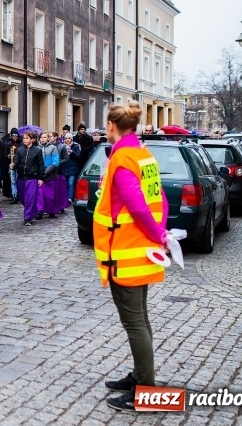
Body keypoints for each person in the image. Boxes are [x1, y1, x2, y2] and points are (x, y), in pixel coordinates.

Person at [93, 100, 169, 412]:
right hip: (139, 249)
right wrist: (160, 233)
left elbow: (138, 206)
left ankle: (146, 390)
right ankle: (140, 375)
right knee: (140, 318)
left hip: (126, 252)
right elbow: (160, 199)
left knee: (134, 322)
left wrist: (158, 235)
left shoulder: (123, 158)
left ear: (111, 126)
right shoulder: (143, 154)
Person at [12, 130, 44, 225]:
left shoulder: (37, 150)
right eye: (24, 138)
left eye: (27, 138)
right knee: (23, 198)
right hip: (21, 178)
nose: (24, 140)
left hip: (32, 178)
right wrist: (13, 165)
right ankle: (33, 211)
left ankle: (27, 218)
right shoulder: (20, 150)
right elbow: (16, 162)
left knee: (30, 198)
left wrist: (41, 178)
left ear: (32, 139)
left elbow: (41, 165)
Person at [36, 132, 60, 219]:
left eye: (45, 137)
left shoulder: (53, 148)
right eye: (41, 137)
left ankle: (51, 211)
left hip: (50, 175)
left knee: (50, 196)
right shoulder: (37, 148)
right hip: (40, 176)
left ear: (48, 138)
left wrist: (45, 172)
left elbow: (55, 162)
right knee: (40, 195)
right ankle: (40, 211)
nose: (43, 139)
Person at [0, 128, 21, 203]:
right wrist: (8, 156)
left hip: (19, 166)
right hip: (11, 165)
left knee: (19, 181)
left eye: (16, 136)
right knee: (13, 181)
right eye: (13, 136)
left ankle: (19, 195)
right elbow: (4, 154)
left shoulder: (21, 143)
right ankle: (14, 196)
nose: (14, 138)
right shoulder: (8, 144)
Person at [53, 131, 70, 212]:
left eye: (50, 136)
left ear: (55, 137)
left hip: (59, 171)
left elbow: (66, 158)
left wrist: (58, 163)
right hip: (50, 172)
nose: (49, 138)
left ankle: (61, 206)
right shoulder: (47, 146)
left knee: (60, 190)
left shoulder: (61, 146)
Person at [61, 133, 81, 202]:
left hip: (73, 168)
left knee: (71, 183)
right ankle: (65, 198)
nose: (67, 140)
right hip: (64, 168)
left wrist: (72, 152)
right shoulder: (62, 146)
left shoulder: (76, 146)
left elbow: (78, 156)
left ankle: (69, 198)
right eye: (66, 138)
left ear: (71, 139)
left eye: (69, 138)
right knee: (64, 184)